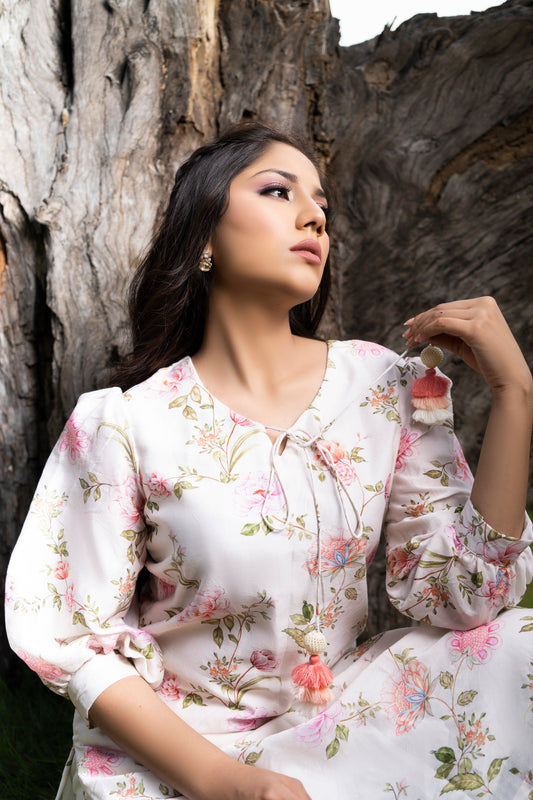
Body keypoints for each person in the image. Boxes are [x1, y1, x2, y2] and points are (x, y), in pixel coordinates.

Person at [5, 122, 533, 800]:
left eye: (322, 205)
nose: (314, 216)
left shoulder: (381, 387)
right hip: (185, 755)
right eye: (279, 192)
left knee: (519, 646)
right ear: (203, 236)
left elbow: (467, 598)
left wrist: (515, 394)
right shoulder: (125, 423)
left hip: (336, 724)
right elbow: (77, 641)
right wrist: (230, 784)